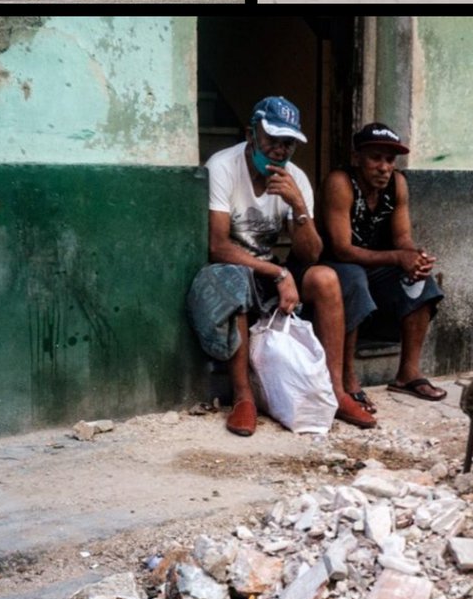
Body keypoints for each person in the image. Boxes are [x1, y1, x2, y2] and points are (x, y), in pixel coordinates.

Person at [188, 96, 375, 436]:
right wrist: (279, 273)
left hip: (272, 269)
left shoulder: (296, 178)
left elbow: (311, 255)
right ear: (251, 134)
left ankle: (336, 391)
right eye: (271, 139)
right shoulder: (223, 166)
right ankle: (243, 397)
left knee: (327, 279)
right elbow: (217, 246)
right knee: (235, 281)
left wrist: (299, 206)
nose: (279, 149)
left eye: (287, 142)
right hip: (232, 270)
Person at [315, 123, 447, 408]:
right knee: (353, 279)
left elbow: (402, 238)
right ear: (357, 157)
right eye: (376, 157)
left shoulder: (397, 183)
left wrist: (414, 256)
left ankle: (408, 374)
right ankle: (348, 378)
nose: (384, 167)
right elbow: (342, 248)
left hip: (374, 266)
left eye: (389, 160)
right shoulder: (340, 182)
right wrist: (397, 257)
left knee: (422, 280)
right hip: (335, 266)